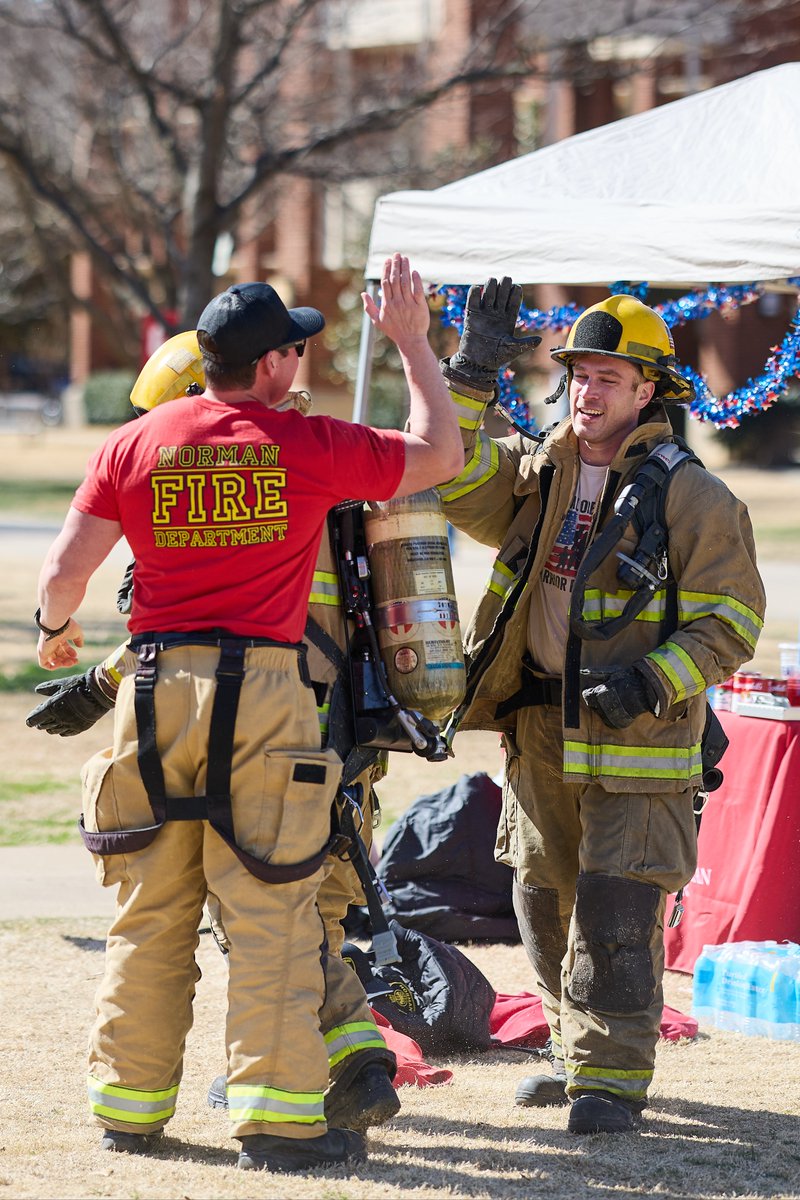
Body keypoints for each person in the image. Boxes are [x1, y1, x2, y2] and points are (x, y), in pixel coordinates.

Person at [33, 254, 463, 1173]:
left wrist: (54, 632)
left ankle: (129, 1111)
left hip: (150, 695)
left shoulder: (136, 442)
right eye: (294, 350)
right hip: (267, 694)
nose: (301, 362)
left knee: (149, 910)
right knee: (270, 912)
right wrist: (415, 345)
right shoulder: (305, 447)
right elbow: (442, 455)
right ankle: (275, 1126)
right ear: (269, 368)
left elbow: (65, 573)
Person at [436, 283, 765, 1135]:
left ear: (647, 390)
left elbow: (731, 622)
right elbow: (448, 469)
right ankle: (570, 1053)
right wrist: (471, 372)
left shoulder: (691, 496)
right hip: (540, 730)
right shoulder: (540, 471)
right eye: (579, 375)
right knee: (543, 902)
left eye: (609, 378)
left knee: (616, 915)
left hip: (639, 741)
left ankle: (612, 1081)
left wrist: (650, 680)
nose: (587, 392)